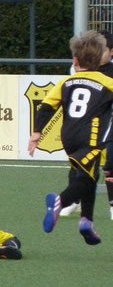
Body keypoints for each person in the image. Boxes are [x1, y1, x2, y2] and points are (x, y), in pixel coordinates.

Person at [28, 30, 113, 245]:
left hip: (68, 136)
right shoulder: (106, 81)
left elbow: (46, 106)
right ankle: (60, 200)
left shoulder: (66, 82)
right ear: (100, 60)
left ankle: (87, 220)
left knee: (88, 176)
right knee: (85, 179)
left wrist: (37, 133)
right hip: (91, 136)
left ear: (75, 60)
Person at [60, 29, 113, 219]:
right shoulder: (93, 75)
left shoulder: (73, 79)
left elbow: (49, 105)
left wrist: (37, 132)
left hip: (87, 131)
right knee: (87, 170)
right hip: (93, 132)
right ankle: (68, 201)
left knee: (98, 169)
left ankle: (91, 215)